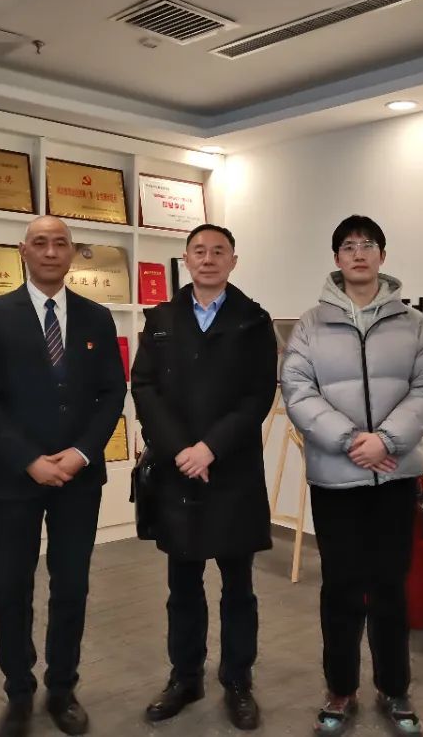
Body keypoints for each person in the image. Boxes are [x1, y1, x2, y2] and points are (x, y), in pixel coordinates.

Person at [280, 215, 423, 736]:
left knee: (391, 587)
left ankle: (395, 690)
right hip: (336, 480)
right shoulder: (311, 324)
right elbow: (297, 389)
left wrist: (386, 441)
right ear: (336, 259)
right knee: (342, 588)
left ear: (382, 256)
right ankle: (341, 689)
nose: (358, 254)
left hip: (394, 478)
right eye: (348, 246)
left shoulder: (413, 324)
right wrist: (354, 440)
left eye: (367, 245)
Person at [0, 216, 126, 737]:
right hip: (14, 477)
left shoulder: (97, 317)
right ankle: (18, 691)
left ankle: (62, 688)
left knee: (71, 584)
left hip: (79, 477)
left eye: (61, 243)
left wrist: (81, 453)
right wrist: (29, 459)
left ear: (73, 253)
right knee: (12, 586)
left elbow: (112, 392)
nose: (51, 251)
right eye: (41, 243)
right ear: (23, 251)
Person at [131, 223, 276, 731]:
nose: (208, 259)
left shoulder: (253, 320)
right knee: (183, 585)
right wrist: (181, 451)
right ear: (186, 259)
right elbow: (144, 387)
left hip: (232, 469)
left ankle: (237, 680)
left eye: (219, 251)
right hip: (179, 471)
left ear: (234, 261)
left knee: (239, 587)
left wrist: (211, 447)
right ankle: (185, 677)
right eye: (199, 251)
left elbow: (259, 394)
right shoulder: (161, 319)